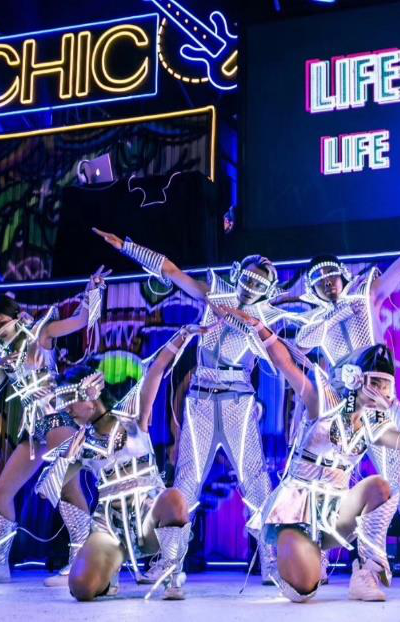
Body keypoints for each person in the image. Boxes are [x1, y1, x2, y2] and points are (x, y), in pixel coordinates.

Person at [93, 228, 287, 583]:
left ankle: (271, 561)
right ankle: (170, 560)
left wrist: (252, 324)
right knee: (186, 480)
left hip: (238, 403)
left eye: (259, 284)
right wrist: (127, 246)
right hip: (200, 400)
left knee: (255, 480)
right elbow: (171, 271)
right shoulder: (215, 294)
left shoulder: (264, 318)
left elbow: (278, 361)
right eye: (247, 279)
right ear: (237, 275)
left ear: (268, 290)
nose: (250, 287)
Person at [290, 211, 400, 588]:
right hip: (343, 410)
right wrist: (329, 315)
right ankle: (320, 560)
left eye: (331, 277)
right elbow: (300, 345)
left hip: (376, 402)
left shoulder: (365, 295)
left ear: (342, 275)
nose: (327, 285)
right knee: (329, 482)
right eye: (319, 282)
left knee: (399, 482)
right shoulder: (316, 321)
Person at [220, 306, 400, 602]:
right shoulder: (322, 401)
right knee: (304, 590)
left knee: (381, 487)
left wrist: (394, 408)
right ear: (355, 378)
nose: (381, 391)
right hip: (296, 512)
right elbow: (286, 363)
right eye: (375, 383)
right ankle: (291, 558)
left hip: (333, 512)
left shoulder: (374, 422)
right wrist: (258, 326)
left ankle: (365, 574)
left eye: (386, 384)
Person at [35, 324, 203, 600]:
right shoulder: (80, 442)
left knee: (174, 498)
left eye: (69, 401)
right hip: (110, 528)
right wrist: (64, 455)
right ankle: (107, 576)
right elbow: (48, 488)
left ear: (90, 396)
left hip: (149, 519)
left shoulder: (134, 420)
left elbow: (156, 370)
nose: (67, 410)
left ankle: (171, 575)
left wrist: (183, 335)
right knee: (82, 589)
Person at [0, 268, 107, 586]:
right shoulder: (5, 357)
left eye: (2, 321)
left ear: (15, 315)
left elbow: (82, 320)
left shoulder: (41, 333)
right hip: (33, 429)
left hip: (56, 419)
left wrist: (93, 291)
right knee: (2, 491)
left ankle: (83, 566)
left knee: (67, 486)